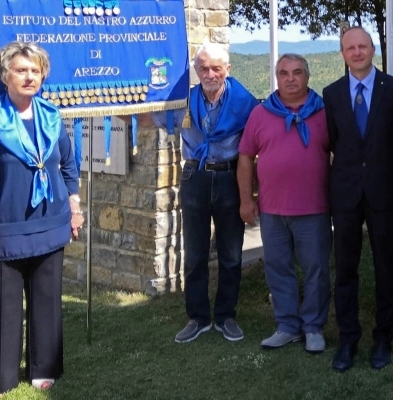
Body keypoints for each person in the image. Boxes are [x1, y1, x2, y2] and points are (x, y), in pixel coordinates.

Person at [149, 43, 258, 343]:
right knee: (194, 253)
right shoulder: (183, 99)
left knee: (231, 253)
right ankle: (198, 318)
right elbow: (153, 117)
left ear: (228, 70)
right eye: (203, 68)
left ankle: (226, 316)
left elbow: (259, 137)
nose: (210, 73)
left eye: (216, 68)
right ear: (196, 71)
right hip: (193, 176)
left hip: (229, 177)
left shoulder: (244, 102)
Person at [0, 41, 83, 397]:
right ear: (6, 76)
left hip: (52, 220)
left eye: (35, 70)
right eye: (21, 70)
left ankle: (44, 367)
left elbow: (68, 164)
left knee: (47, 297)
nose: (29, 77)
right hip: (6, 224)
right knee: (4, 302)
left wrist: (74, 206)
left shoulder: (51, 115)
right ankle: (1, 377)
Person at [237, 54, 331, 353]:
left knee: (316, 269)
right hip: (272, 209)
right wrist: (246, 200)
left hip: (314, 208)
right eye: (284, 73)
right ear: (276, 77)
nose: (291, 78)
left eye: (297, 72)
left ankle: (314, 327)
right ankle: (288, 325)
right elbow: (245, 158)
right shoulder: (261, 114)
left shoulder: (325, 112)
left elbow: (342, 156)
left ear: (308, 76)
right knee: (278, 268)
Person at [323, 26, 393, 372]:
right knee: (346, 271)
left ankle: (384, 338)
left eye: (363, 46)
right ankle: (348, 339)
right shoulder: (332, 93)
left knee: (387, 269)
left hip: (385, 192)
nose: (357, 52)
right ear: (343, 53)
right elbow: (335, 142)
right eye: (350, 48)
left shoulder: (392, 89)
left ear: (373, 50)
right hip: (346, 194)